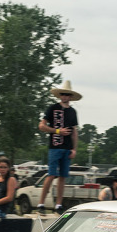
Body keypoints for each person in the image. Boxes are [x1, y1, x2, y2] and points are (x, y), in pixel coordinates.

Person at [37, 81, 80, 214]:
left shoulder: (72, 111)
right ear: (59, 95)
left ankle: (59, 204)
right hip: (55, 147)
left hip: (67, 148)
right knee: (51, 175)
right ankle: (41, 203)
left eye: (67, 94)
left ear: (70, 97)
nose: (64, 97)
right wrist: (57, 131)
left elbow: (74, 132)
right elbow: (41, 126)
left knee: (63, 177)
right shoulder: (52, 108)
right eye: (62, 94)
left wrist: (74, 149)